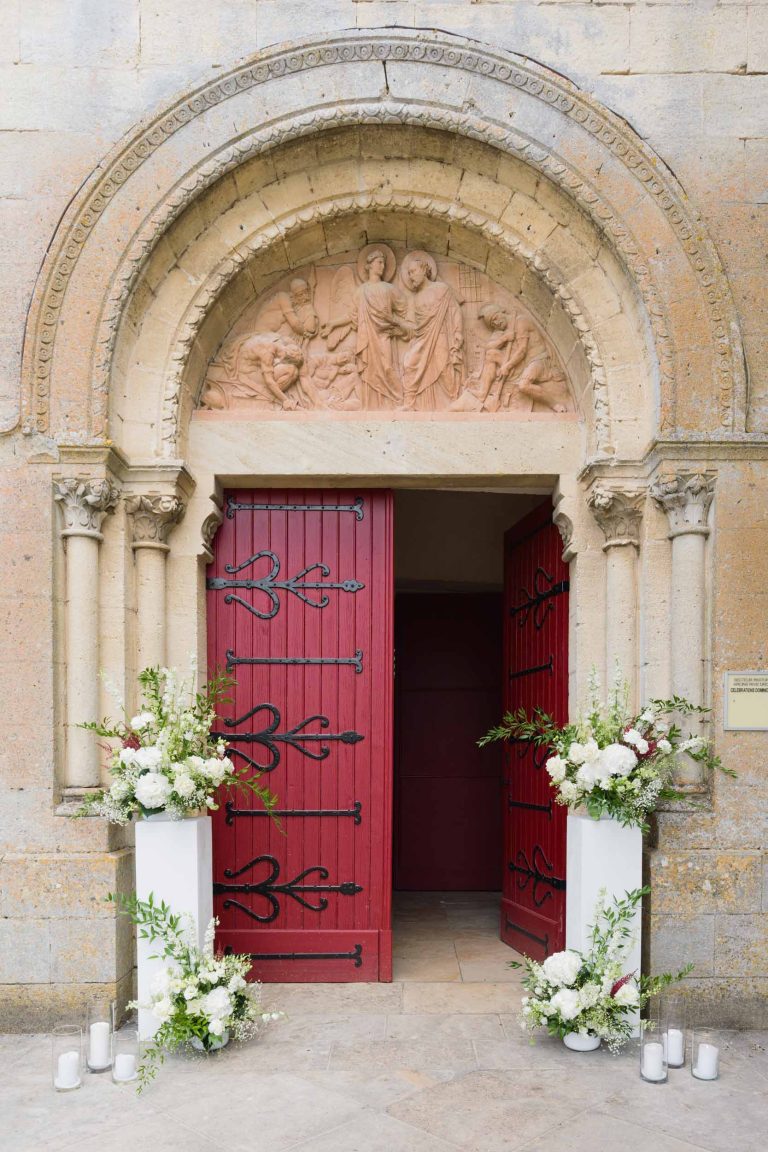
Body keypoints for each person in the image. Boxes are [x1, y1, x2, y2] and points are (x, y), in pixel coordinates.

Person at [401, 255, 464, 410]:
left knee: (444, 368)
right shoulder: (415, 299)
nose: (410, 276)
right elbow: (414, 326)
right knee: (409, 363)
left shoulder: (441, 289)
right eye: (408, 273)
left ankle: (453, 399)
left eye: (413, 271)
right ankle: (410, 403)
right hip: (422, 338)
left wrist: (458, 333)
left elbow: (454, 311)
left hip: (441, 336)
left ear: (424, 270)